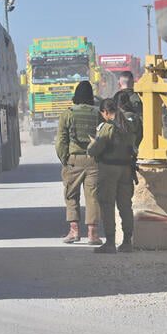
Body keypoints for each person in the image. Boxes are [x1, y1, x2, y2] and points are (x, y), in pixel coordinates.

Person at [88, 98, 136, 253]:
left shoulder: (107, 127)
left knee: (107, 205)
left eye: (102, 113)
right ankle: (127, 242)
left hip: (109, 169)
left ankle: (110, 243)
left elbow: (94, 150)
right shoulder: (128, 125)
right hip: (126, 169)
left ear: (106, 112)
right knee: (125, 206)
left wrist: (92, 142)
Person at [55, 80, 101, 244]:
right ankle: (93, 234)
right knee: (93, 197)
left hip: (74, 161)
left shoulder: (68, 114)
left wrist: (65, 159)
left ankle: (74, 231)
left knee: (71, 195)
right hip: (94, 160)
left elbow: (61, 141)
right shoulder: (98, 113)